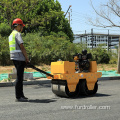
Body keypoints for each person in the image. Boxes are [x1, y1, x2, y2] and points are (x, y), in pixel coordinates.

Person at [9, 18, 29, 102]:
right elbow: (22, 47)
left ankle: (21, 95)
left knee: (20, 77)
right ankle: (18, 96)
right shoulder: (17, 34)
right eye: (22, 26)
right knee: (19, 77)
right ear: (18, 26)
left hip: (14, 57)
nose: (22, 28)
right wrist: (26, 58)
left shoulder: (11, 35)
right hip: (19, 58)